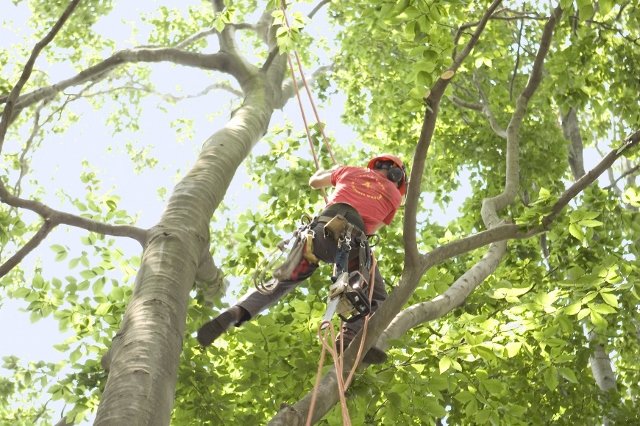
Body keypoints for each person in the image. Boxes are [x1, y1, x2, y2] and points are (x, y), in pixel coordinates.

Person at [197, 154, 408, 364]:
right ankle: (349, 336)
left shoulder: (349, 171)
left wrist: (330, 172)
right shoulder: (394, 196)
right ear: (397, 176)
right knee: (376, 295)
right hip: (352, 242)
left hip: (317, 235)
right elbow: (372, 228)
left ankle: (236, 311)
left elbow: (315, 182)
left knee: (281, 282)